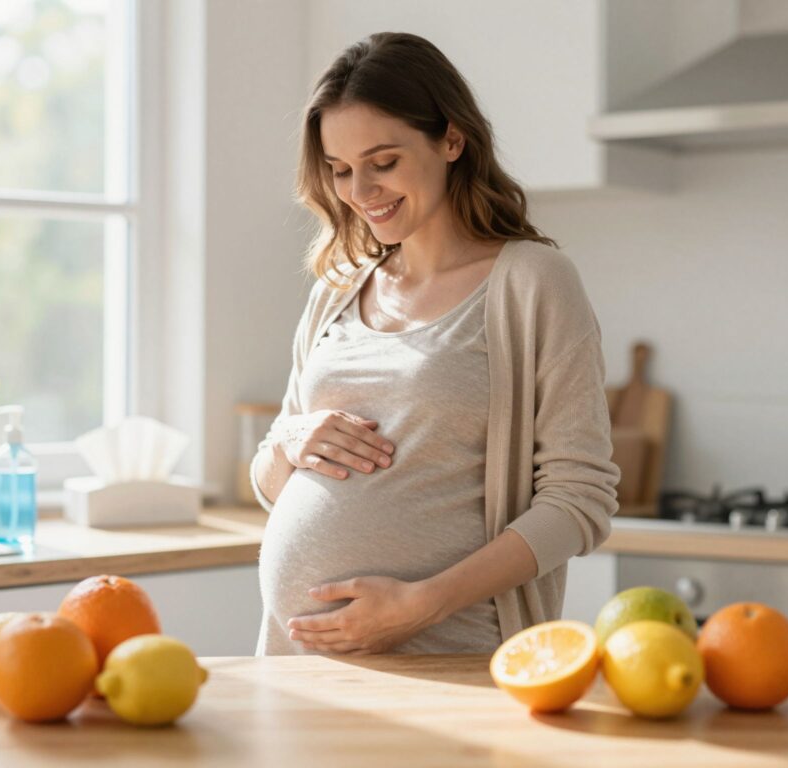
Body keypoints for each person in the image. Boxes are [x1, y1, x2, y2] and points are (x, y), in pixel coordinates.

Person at [250, 32, 619, 656]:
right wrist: (288, 441)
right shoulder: (336, 291)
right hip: (298, 667)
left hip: (449, 655)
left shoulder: (531, 283)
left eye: (383, 161)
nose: (360, 191)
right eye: (340, 170)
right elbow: (270, 483)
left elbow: (580, 501)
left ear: (451, 139)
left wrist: (424, 603)